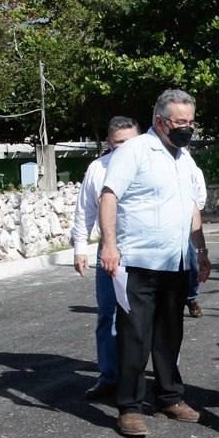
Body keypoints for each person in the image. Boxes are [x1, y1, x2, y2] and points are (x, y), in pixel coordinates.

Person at [99, 89, 211, 438]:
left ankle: (169, 397)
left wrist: (201, 251)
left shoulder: (185, 159)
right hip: (138, 262)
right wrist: (109, 245)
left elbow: (192, 206)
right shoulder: (134, 151)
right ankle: (129, 407)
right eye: (180, 122)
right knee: (135, 336)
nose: (187, 129)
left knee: (169, 336)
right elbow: (109, 195)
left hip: (175, 263)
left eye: (191, 122)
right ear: (160, 121)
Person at [71, 115, 140, 400]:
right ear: (109, 144)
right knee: (108, 315)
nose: (123, 149)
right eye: (117, 144)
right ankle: (109, 376)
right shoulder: (98, 169)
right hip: (109, 250)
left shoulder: (152, 164)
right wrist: (80, 247)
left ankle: (161, 381)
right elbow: (85, 209)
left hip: (146, 249)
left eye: (129, 142)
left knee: (154, 317)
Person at [185, 165, 207, 318]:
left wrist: (202, 250)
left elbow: (198, 202)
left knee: (193, 265)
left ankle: (191, 297)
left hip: (186, 224)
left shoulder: (193, 170)